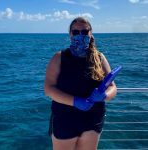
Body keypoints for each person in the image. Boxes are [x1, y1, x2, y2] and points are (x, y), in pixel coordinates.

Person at [44, 17, 117, 150]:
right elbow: (49, 89)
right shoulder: (59, 58)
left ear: (90, 33)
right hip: (65, 119)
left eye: (84, 32)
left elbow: (112, 87)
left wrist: (104, 96)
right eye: (76, 32)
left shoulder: (99, 58)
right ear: (70, 34)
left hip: (93, 119)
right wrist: (75, 101)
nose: (80, 35)